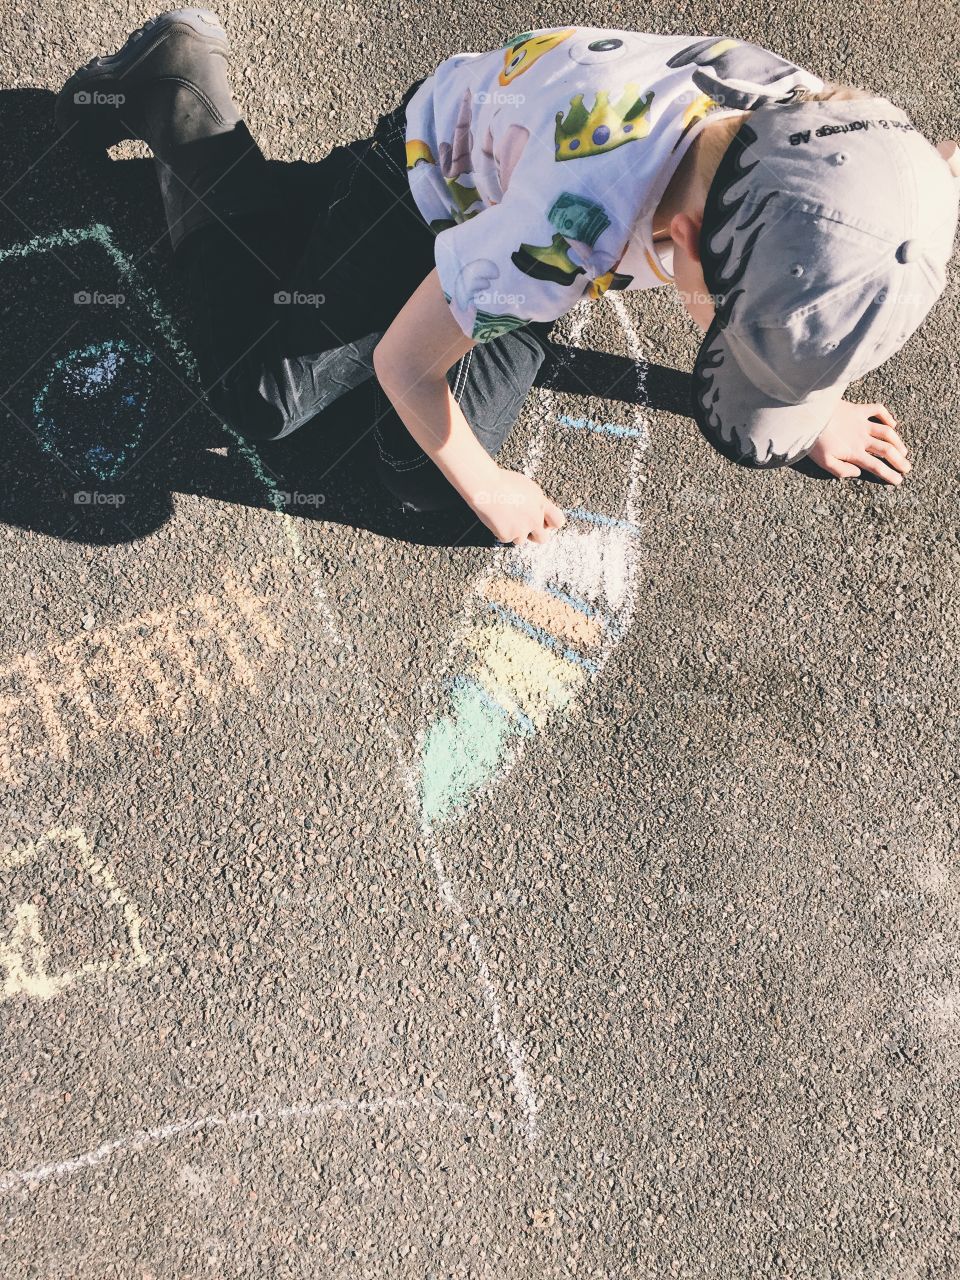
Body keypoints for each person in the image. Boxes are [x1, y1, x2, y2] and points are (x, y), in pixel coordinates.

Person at [55, 12, 960, 545]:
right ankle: (185, 93)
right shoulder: (570, 229)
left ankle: (309, 219)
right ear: (682, 237)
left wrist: (810, 384)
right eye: (726, 325)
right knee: (269, 402)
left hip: (521, 183)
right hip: (424, 183)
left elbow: (878, 227)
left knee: (414, 423)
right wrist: (491, 488)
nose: (723, 333)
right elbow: (405, 366)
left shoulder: (834, 144)